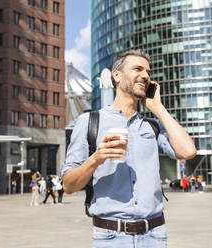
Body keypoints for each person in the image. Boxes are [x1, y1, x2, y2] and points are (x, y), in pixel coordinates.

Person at [61, 49, 196, 247]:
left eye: (148, 72)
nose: (145, 76)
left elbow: (188, 151)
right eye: (137, 69)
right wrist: (95, 158)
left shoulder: (152, 125)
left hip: (155, 235)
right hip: (110, 237)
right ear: (117, 75)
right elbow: (68, 185)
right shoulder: (89, 122)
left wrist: (158, 108)